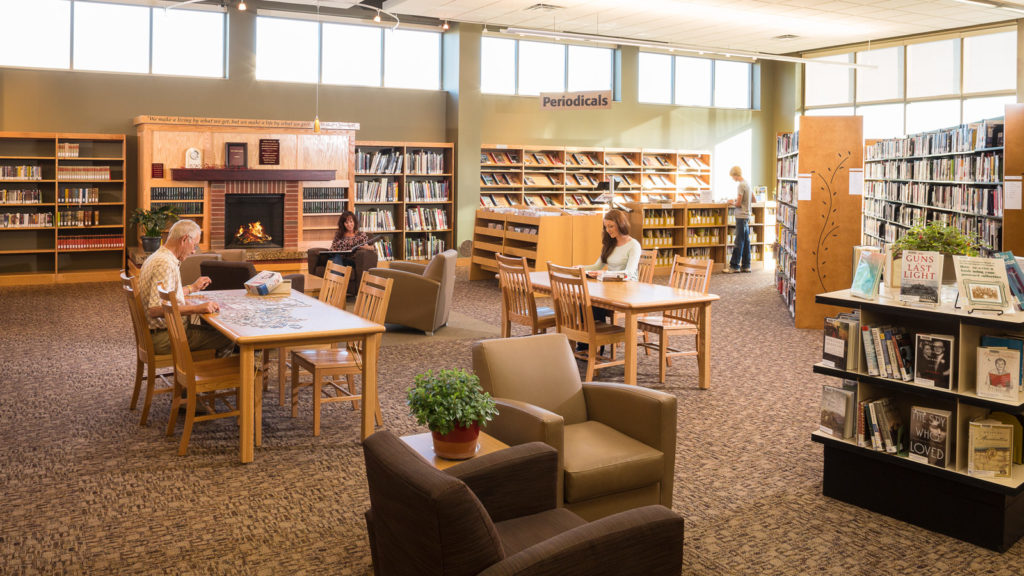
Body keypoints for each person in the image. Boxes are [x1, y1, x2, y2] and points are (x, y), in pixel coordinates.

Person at [138, 219, 233, 356]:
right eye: (194, 245)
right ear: (184, 240)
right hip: (165, 337)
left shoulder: (159, 256)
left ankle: (205, 371)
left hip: (162, 332)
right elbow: (155, 310)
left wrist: (191, 288)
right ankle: (217, 375)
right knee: (227, 337)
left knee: (212, 329)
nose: (194, 251)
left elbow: (166, 295)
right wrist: (196, 308)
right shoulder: (164, 264)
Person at [576, 210, 641, 353]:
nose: (608, 230)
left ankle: (595, 346)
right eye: (606, 227)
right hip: (609, 287)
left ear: (621, 224)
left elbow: (629, 273)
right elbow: (596, 266)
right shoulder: (609, 244)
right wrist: (579, 268)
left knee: (592, 304)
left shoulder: (633, 245)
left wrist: (605, 273)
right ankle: (587, 344)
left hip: (628, 290)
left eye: (611, 226)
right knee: (585, 302)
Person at [330, 210, 379, 296]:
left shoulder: (361, 235)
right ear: (343, 224)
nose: (349, 224)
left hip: (352, 260)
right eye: (346, 222)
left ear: (354, 222)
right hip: (340, 258)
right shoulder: (339, 234)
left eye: (351, 222)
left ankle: (334, 291)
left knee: (336, 260)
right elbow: (333, 247)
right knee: (336, 258)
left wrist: (367, 247)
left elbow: (373, 248)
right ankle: (336, 290)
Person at [723, 165, 752, 273]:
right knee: (746, 241)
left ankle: (734, 266)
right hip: (747, 215)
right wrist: (738, 200)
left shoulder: (740, 185)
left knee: (738, 241)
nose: (732, 179)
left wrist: (731, 202)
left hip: (741, 216)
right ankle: (746, 265)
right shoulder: (748, 183)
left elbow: (738, 204)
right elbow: (752, 198)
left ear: (735, 175)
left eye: (732, 176)